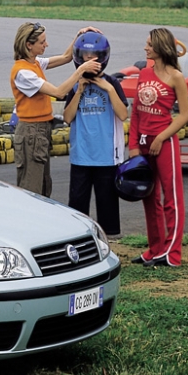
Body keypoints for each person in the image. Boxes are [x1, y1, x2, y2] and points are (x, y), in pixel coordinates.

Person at [10, 22, 102, 197]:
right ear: (29, 45)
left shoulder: (35, 63)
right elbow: (59, 92)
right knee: (32, 188)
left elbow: (67, 57)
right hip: (31, 131)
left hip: (41, 129)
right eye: (42, 42)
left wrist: (79, 35)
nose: (46, 45)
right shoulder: (23, 72)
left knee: (44, 186)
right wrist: (81, 70)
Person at [128, 28, 188, 267]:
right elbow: (136, 112)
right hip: (142, 143)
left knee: (171, 197)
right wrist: (133, 145)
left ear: (160, 47)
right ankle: (155, 249)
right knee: (148, 196)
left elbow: (184, 115)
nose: (145, 48)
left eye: (149, 45)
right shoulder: (144, 72)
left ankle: (172, 254)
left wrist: (160, 138)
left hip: (164, 143)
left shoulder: (176, 77)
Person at [63, 31, 129, 237]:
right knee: (77, 205)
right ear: (79, 58)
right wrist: (80, 89)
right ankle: (77, 238)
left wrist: (108, 89)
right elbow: (67, 117)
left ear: (102, 58)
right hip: (81, 156)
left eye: (94, 58)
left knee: (107, 204)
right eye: (85, 58)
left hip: (106, 157)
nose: (89, 62)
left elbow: (123, 114)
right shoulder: (74, 84)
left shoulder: (112, 83)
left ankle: (109, 240)